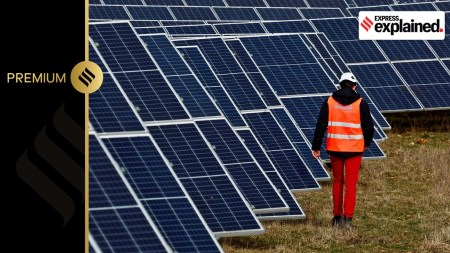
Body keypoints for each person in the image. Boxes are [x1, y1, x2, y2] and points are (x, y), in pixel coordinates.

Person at [311, 72, 374, 228]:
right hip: (355, 149)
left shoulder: (330, 102)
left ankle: (337, 217)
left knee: (338, 181)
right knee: (351, 184)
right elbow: (369, 127)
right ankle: (348, 219)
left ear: (339, 85)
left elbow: (320, 125)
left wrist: (316, 146)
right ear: (354, 86)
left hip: (335, 148)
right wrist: (366, 143)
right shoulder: (361, 103)